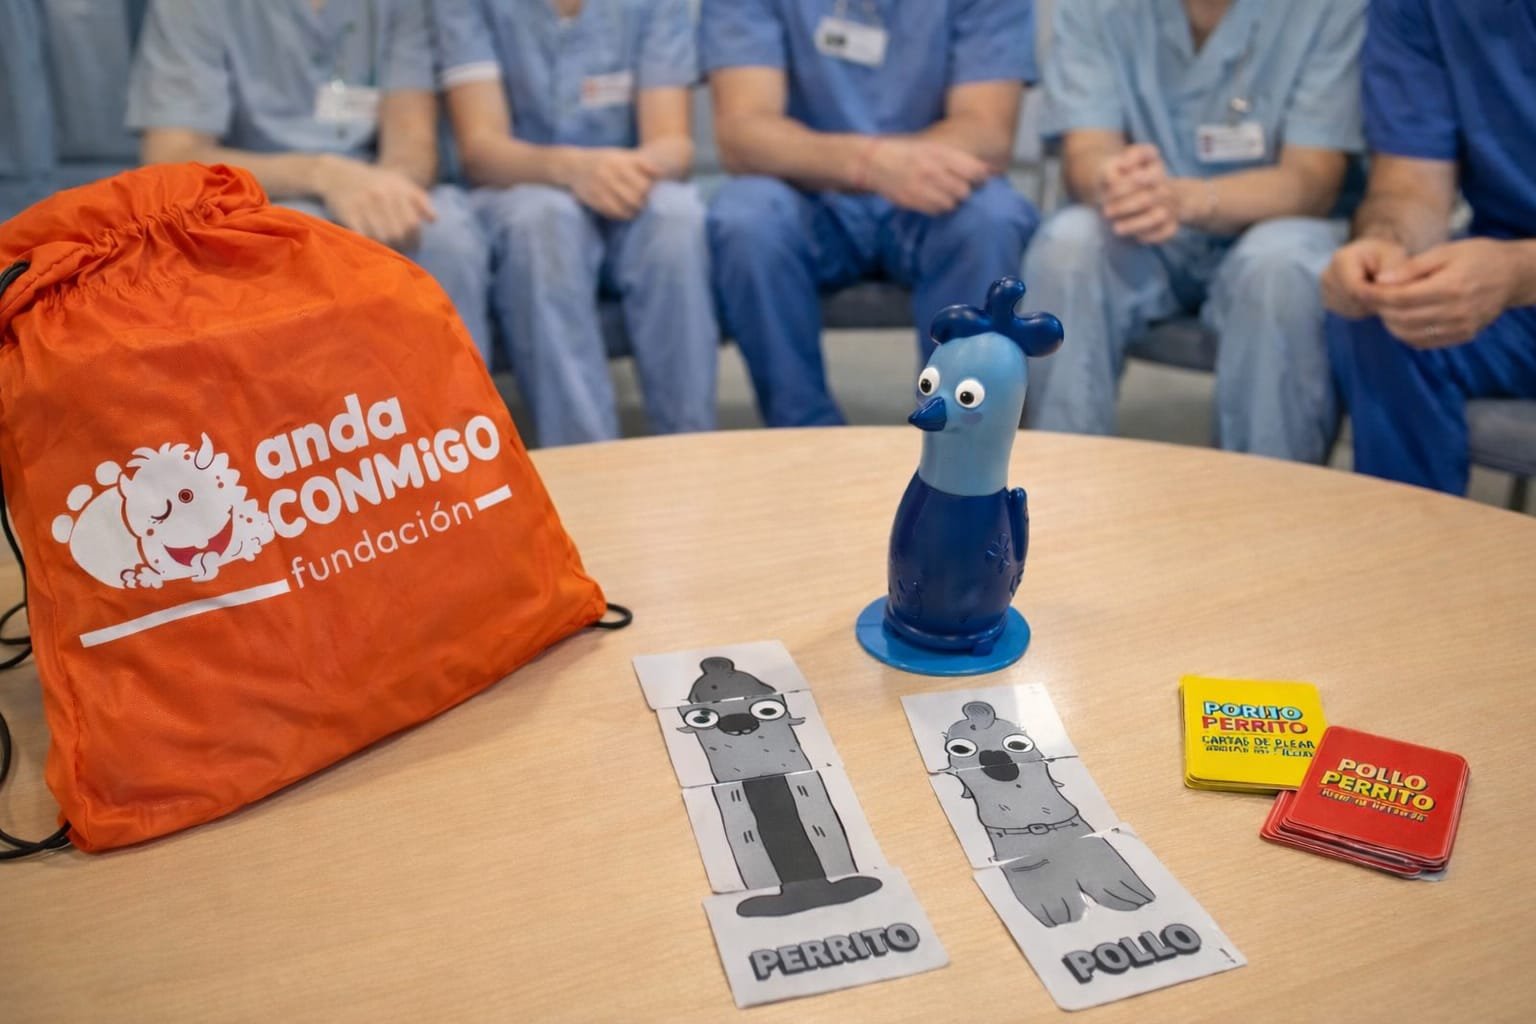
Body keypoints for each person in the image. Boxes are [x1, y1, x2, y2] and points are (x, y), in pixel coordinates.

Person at [1022, 0, 1365, 464]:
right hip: (1144, 233)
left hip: (1271, 225)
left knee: (1279, 267)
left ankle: (1270, 489)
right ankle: (1063, 475)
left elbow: (1313, 180)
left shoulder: (1329, 11)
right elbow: (1087, 148)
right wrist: (1114, 180)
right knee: (1068, 244)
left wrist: (1190, 199)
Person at [701, 0, 1041, 428]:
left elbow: (987, 132)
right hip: (808, 196)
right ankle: (803, 432)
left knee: (991, 217)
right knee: (746, 219)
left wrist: (899, 166)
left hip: (933, 196)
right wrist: (869, 164)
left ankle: (963, 434)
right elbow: (743, 133)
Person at [125, 0, 493, 359]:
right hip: (258, 194)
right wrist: (322, 174)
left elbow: (412, 142)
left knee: (444, 235)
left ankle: (456, 399)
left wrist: (388, 191)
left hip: (369, 179)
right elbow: (171, 156)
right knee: (295, 248)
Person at [433, 0, 718, 447]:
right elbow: (482, 150)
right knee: (544, 221)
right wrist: (574, 169)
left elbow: (673, 144)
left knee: (676, 218)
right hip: (517, 187)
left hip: (627, 180)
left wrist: (618, 172)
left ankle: (693, 447)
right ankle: (584, 453)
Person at [1322, 0, 1536, 495]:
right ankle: (1412, 536)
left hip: (1517, 275)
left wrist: (1519, 272)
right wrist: (1384, 249)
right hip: (1513, 295)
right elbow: (1412, 182)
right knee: (1388, 319)